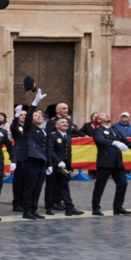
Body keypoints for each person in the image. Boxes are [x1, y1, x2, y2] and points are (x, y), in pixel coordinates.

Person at [92, 112, 131, 216]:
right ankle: (96, 208)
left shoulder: (114, 130)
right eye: (103, 114)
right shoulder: (98, 130)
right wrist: (114, 142)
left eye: (106, 114)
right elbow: (100, 140)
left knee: (122, 184)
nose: (106, 115)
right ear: (98, 120)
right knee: (100, 185)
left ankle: (118, 207)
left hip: (117, 162)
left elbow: (126, 141)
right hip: (105, 162)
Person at [16, 90, 50, 220]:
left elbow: (46, 148)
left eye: (41, 116)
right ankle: (27, 210)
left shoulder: (42, 131)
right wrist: (35, 102)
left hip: (41, 161)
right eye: (37, 116)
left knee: (37, 188)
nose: (40, 117)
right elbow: (29, 116)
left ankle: (34, 209)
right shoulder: (29, 128)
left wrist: (49, 163)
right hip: (31, 160)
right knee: (29, 188)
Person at [45, 118, 83, 217]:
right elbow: (50, 150)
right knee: (51, 187)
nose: (65, 124)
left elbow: (67, 152)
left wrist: (68, 164)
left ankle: (69, 208)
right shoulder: (52, 136)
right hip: (54, 165)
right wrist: (58, 161)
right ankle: (49, 207)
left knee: (64, 187)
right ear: (57, 126)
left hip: (64, 166)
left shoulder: (68, 137)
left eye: (66, 123)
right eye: (62, 122)